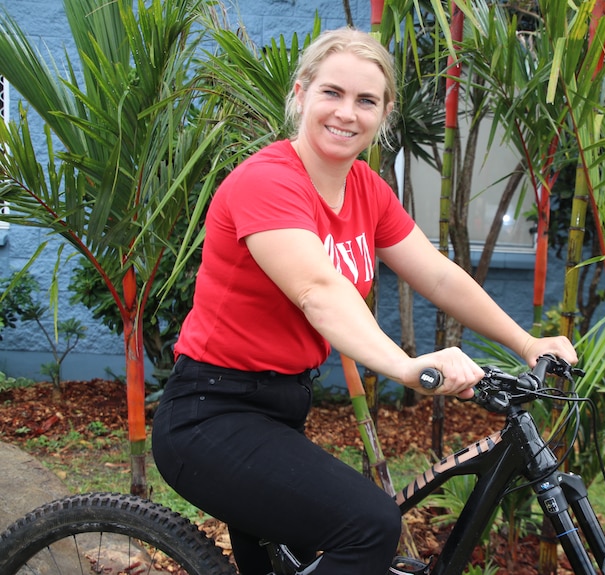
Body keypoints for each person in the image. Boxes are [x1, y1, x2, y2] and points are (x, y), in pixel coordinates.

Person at [151, 26, 578, 575]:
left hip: (280, 410)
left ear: (384, 112)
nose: (346, 113)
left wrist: (526, 341)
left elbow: (440, 278)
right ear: (301, 93)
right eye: (332, 92)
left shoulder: (366, 189)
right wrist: (407, 366)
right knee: (369, 527)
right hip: (211, 416)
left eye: (366, 100)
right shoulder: (267, 182)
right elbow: (317, 291)